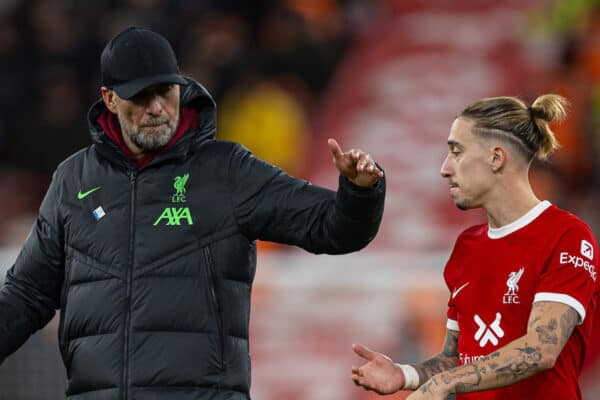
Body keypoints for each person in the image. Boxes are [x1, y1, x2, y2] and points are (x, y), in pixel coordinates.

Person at [0, 27, 386, 400]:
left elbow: (334, 228)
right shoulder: (73, 180)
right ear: (110, 98)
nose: (156, 108)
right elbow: (28, 293)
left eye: (165, 92)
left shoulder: (228, 171)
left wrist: (360, 192)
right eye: (140, 96)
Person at [351, 94, 599, 399]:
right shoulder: (467, 246)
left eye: (457, 152)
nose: (445, 168)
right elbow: (457, 359)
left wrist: (446, 383)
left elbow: (540, 349)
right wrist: (406, 374)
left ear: (496, 158)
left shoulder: (567, 236)